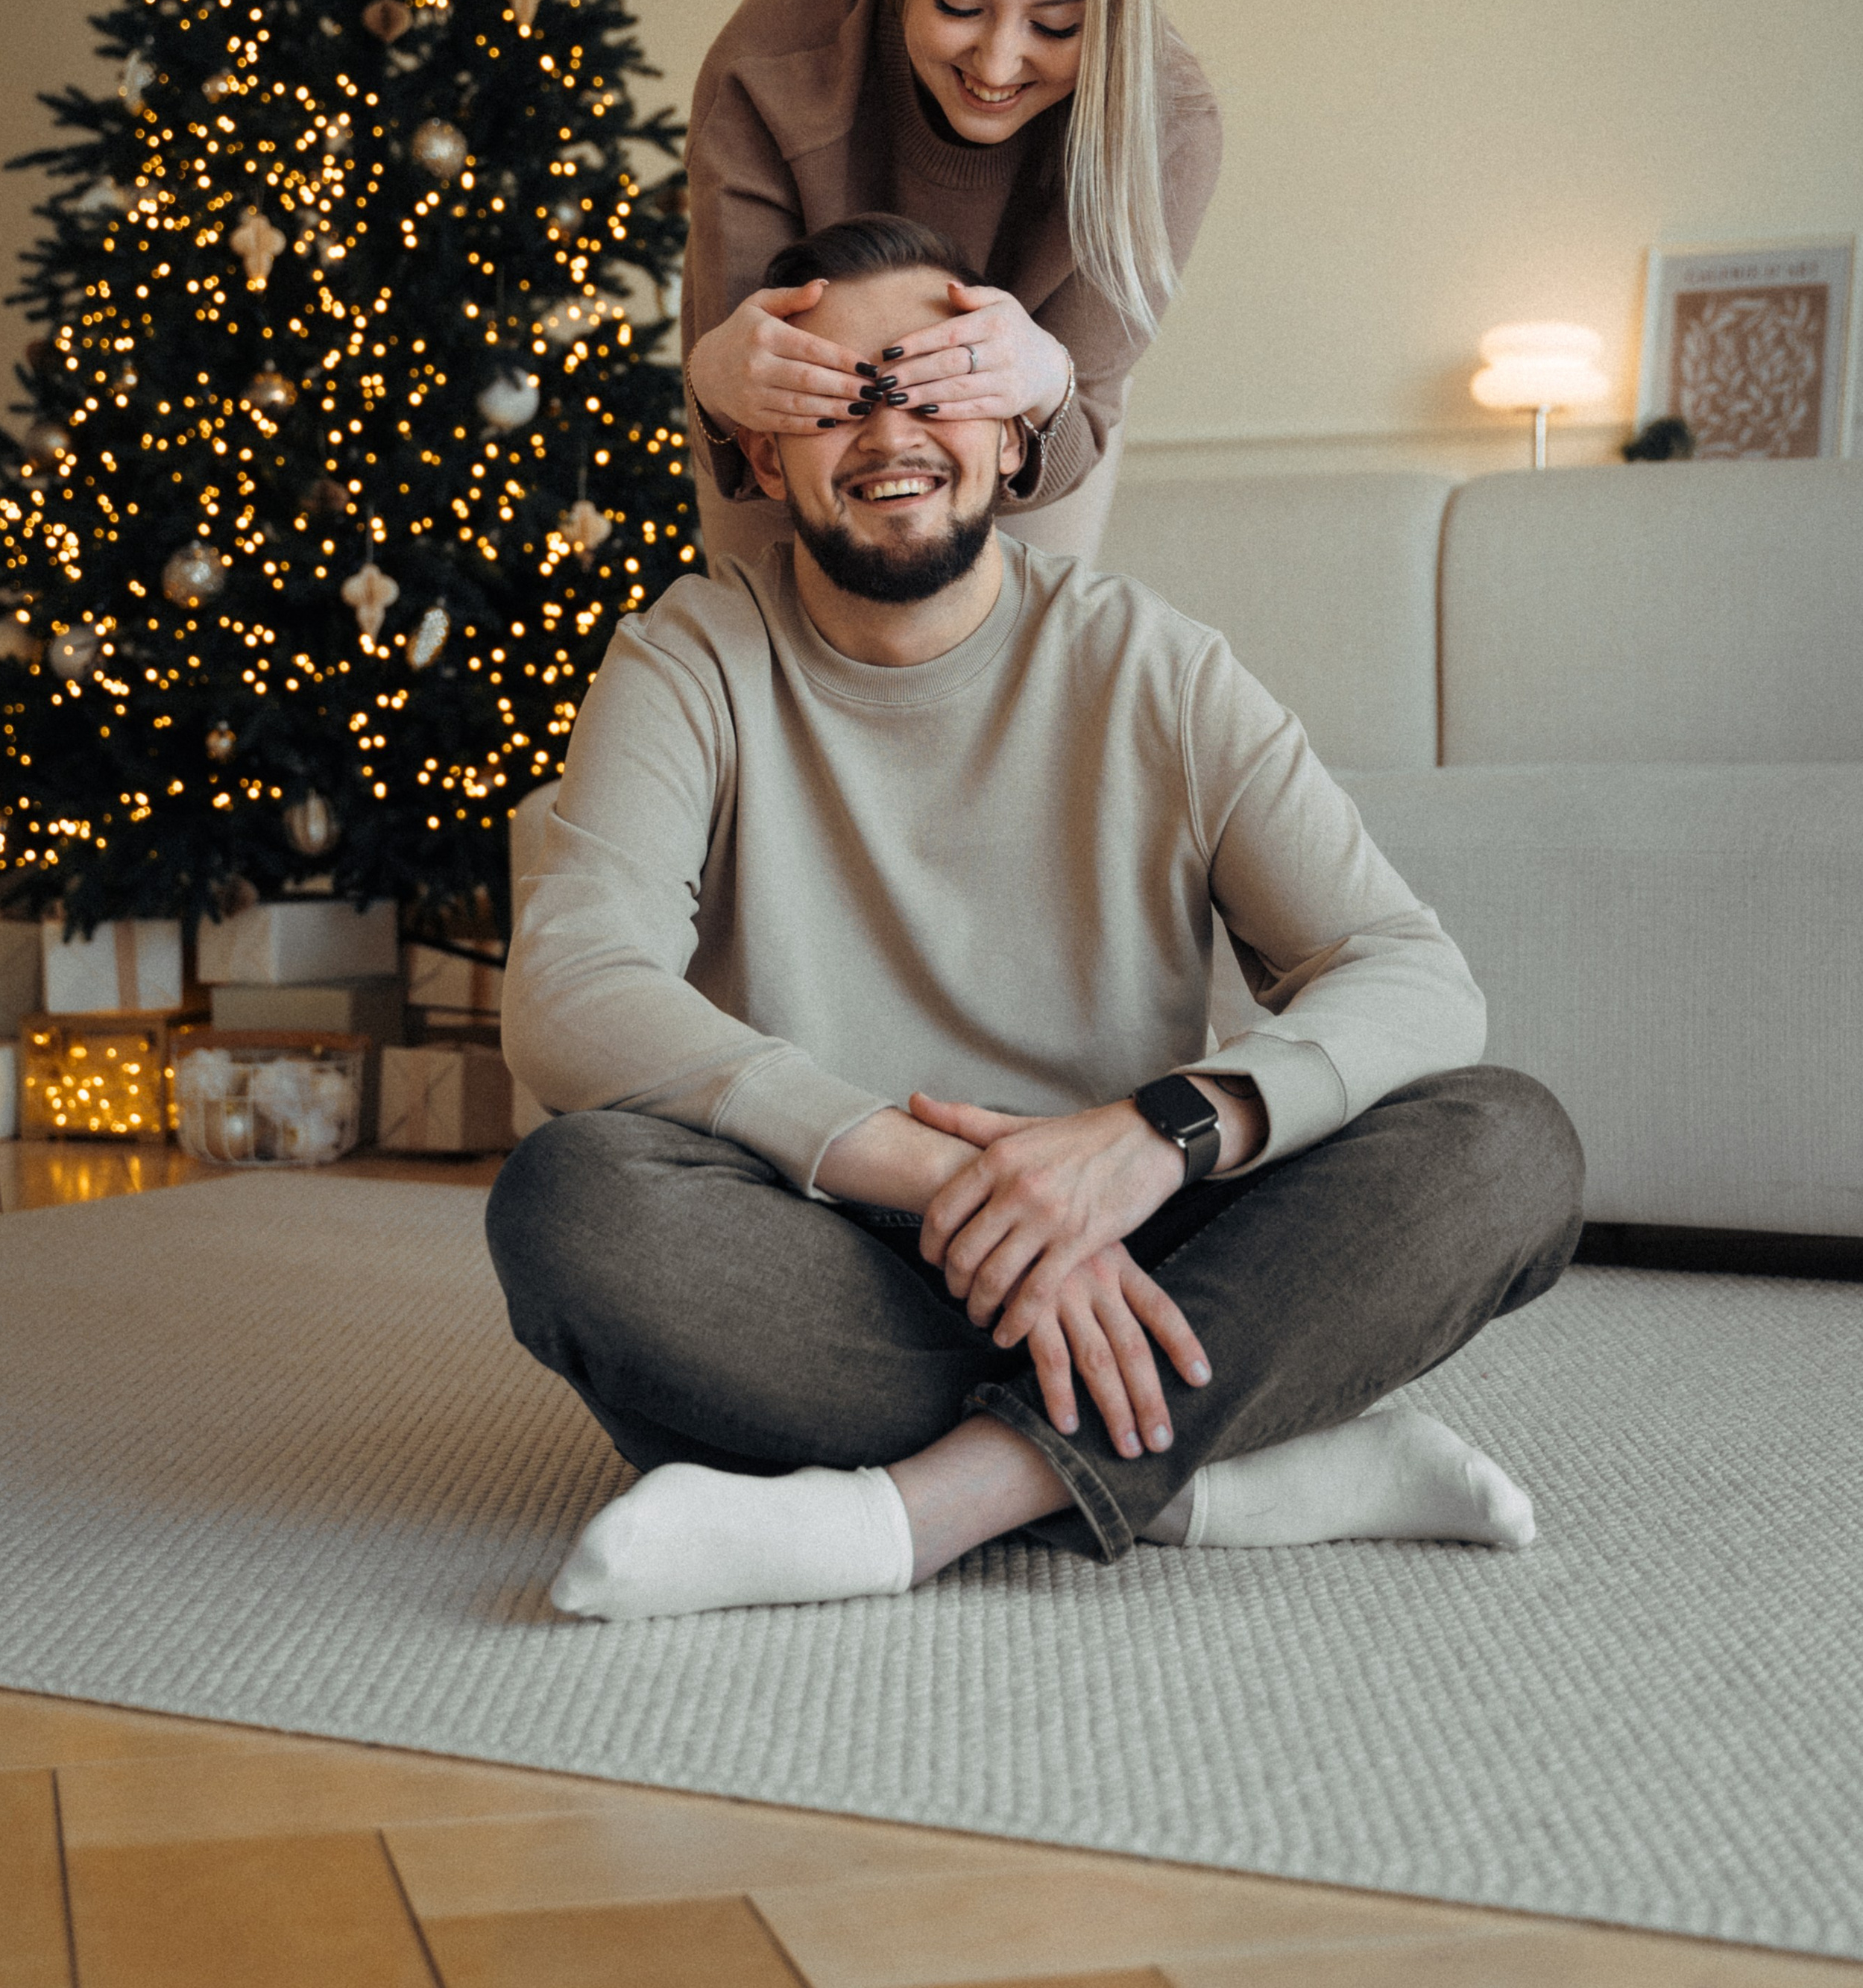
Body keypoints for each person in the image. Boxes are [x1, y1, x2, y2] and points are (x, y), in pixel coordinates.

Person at [493, 215, 1583, 1623]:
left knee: (1506, 1144)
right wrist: (966, 1186)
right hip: (832, 1236)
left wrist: (1151, 1139)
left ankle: (918, 1509)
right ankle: (1216, 1471)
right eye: (835, 397)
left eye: (937, 383)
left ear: (1017, 435)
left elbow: (1411, 974)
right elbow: (571, 980)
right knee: (573, 1203)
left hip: (1146, 1229)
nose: (891, 431)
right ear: (763, 455)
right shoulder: (691, 650)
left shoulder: (1156, 666)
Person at [679, 0, 1222, 571]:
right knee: (765, 644)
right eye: (959, 8)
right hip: (800, 425)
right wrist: (717, 384)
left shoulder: (1166, 125)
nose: (998, 63)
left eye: (1057, 24)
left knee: (1021, 661)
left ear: (1111, 10)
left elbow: (1073, 433)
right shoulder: (774, 58)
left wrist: (1046, 386)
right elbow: (750, 410)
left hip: (1028, 424)